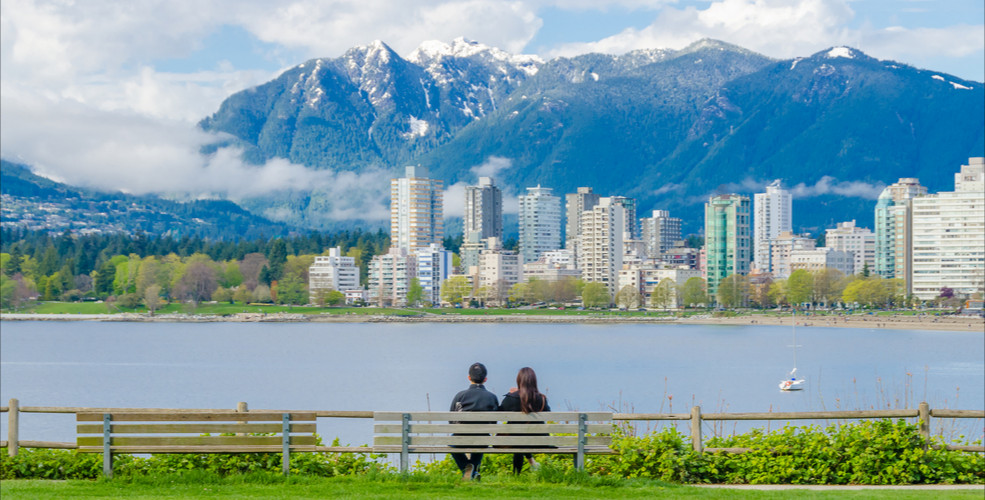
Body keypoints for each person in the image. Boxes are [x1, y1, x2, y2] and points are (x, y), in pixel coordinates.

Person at [449, 362, 499, 481]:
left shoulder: (460, 396)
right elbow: (494, 423)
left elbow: (451, 421)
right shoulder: (492, 397)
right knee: (482, 438)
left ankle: (467, 468)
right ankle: (473, 472)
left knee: (451, 443)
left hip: (461, 438)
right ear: (485, 379)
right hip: (483, 439)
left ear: (469, 377)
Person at [499, 366, 550, 474]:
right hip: (539, 441)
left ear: (519, 381)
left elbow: (499, 413)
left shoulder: (510, 398)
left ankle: (516, 474)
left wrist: (513, 394)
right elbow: (548, 414)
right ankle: (531, 463)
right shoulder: (542, 399)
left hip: (512, 440)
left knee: (518, 439)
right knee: (522, 439)